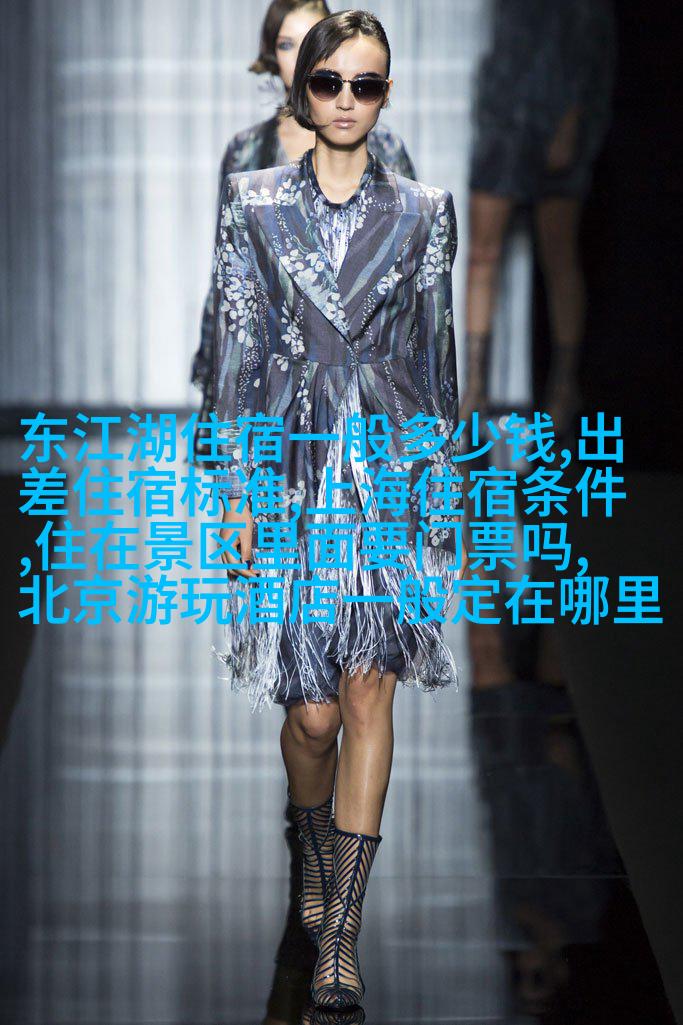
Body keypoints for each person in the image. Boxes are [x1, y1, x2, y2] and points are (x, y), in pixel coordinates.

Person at [210, 10, 467, 1008]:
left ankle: (342, 933)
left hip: (386, 473)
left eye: (366, 84)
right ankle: (312, 840)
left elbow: (436, 358)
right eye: (330, 82)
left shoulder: (425, 210)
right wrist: (236, 488)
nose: (347, 100)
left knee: (366, 696)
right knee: (311, 717)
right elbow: (238, 355)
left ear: (385, 94)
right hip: (293, 468)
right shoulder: (254, 204)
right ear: (301, 89)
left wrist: (440, 487)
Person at [191, 0, 416, 459]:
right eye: (286, 45)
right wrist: (219, 386)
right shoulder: (246, 152)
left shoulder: (386, 150)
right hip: (268, 370)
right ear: (270, 53)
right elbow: (228, 276)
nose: (298, 58)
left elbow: (407, 281)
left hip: (363, 379)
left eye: (311, 41)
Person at [461, 0, 616, 438]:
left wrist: (570, 118)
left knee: (558, 254)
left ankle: (565, 385)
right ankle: (475, 389)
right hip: (502, 111)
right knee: (482, 253)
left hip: (557, 112)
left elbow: (589, 39)